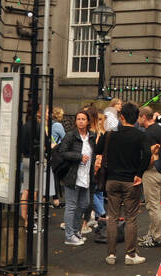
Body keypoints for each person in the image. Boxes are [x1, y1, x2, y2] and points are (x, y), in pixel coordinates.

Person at [97, 101, 151, 265]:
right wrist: (139, 173)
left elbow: (98, 149)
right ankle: (130, 254)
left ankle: (111, 254)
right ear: (136, 118)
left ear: (121, 117)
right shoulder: (140, 135)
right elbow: (147, 155)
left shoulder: (110, 133)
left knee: (112, 217)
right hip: (131, 181)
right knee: (131, 218)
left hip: (112, 179)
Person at [54, 111, 96, 246]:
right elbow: (62, 152)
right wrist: (78, 157)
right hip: (72, 175)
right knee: (71, 205)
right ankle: (69, 235)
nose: (81, 121)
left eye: (83, 119)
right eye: (78, 119)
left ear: (88, 121)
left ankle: (76, 231)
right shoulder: (71, 136)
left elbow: (93, 153)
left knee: (84, 203)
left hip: (86, 175)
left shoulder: (91, 136)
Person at [137, 106, 161, 248]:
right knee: (156, 204)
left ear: (144, 117)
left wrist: (139, 172)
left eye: (139, 117)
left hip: (151, 170)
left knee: (153, 205)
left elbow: (146, 156)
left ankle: (156, 237)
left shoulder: (147, 134)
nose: (137, 120)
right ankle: (152, 233)